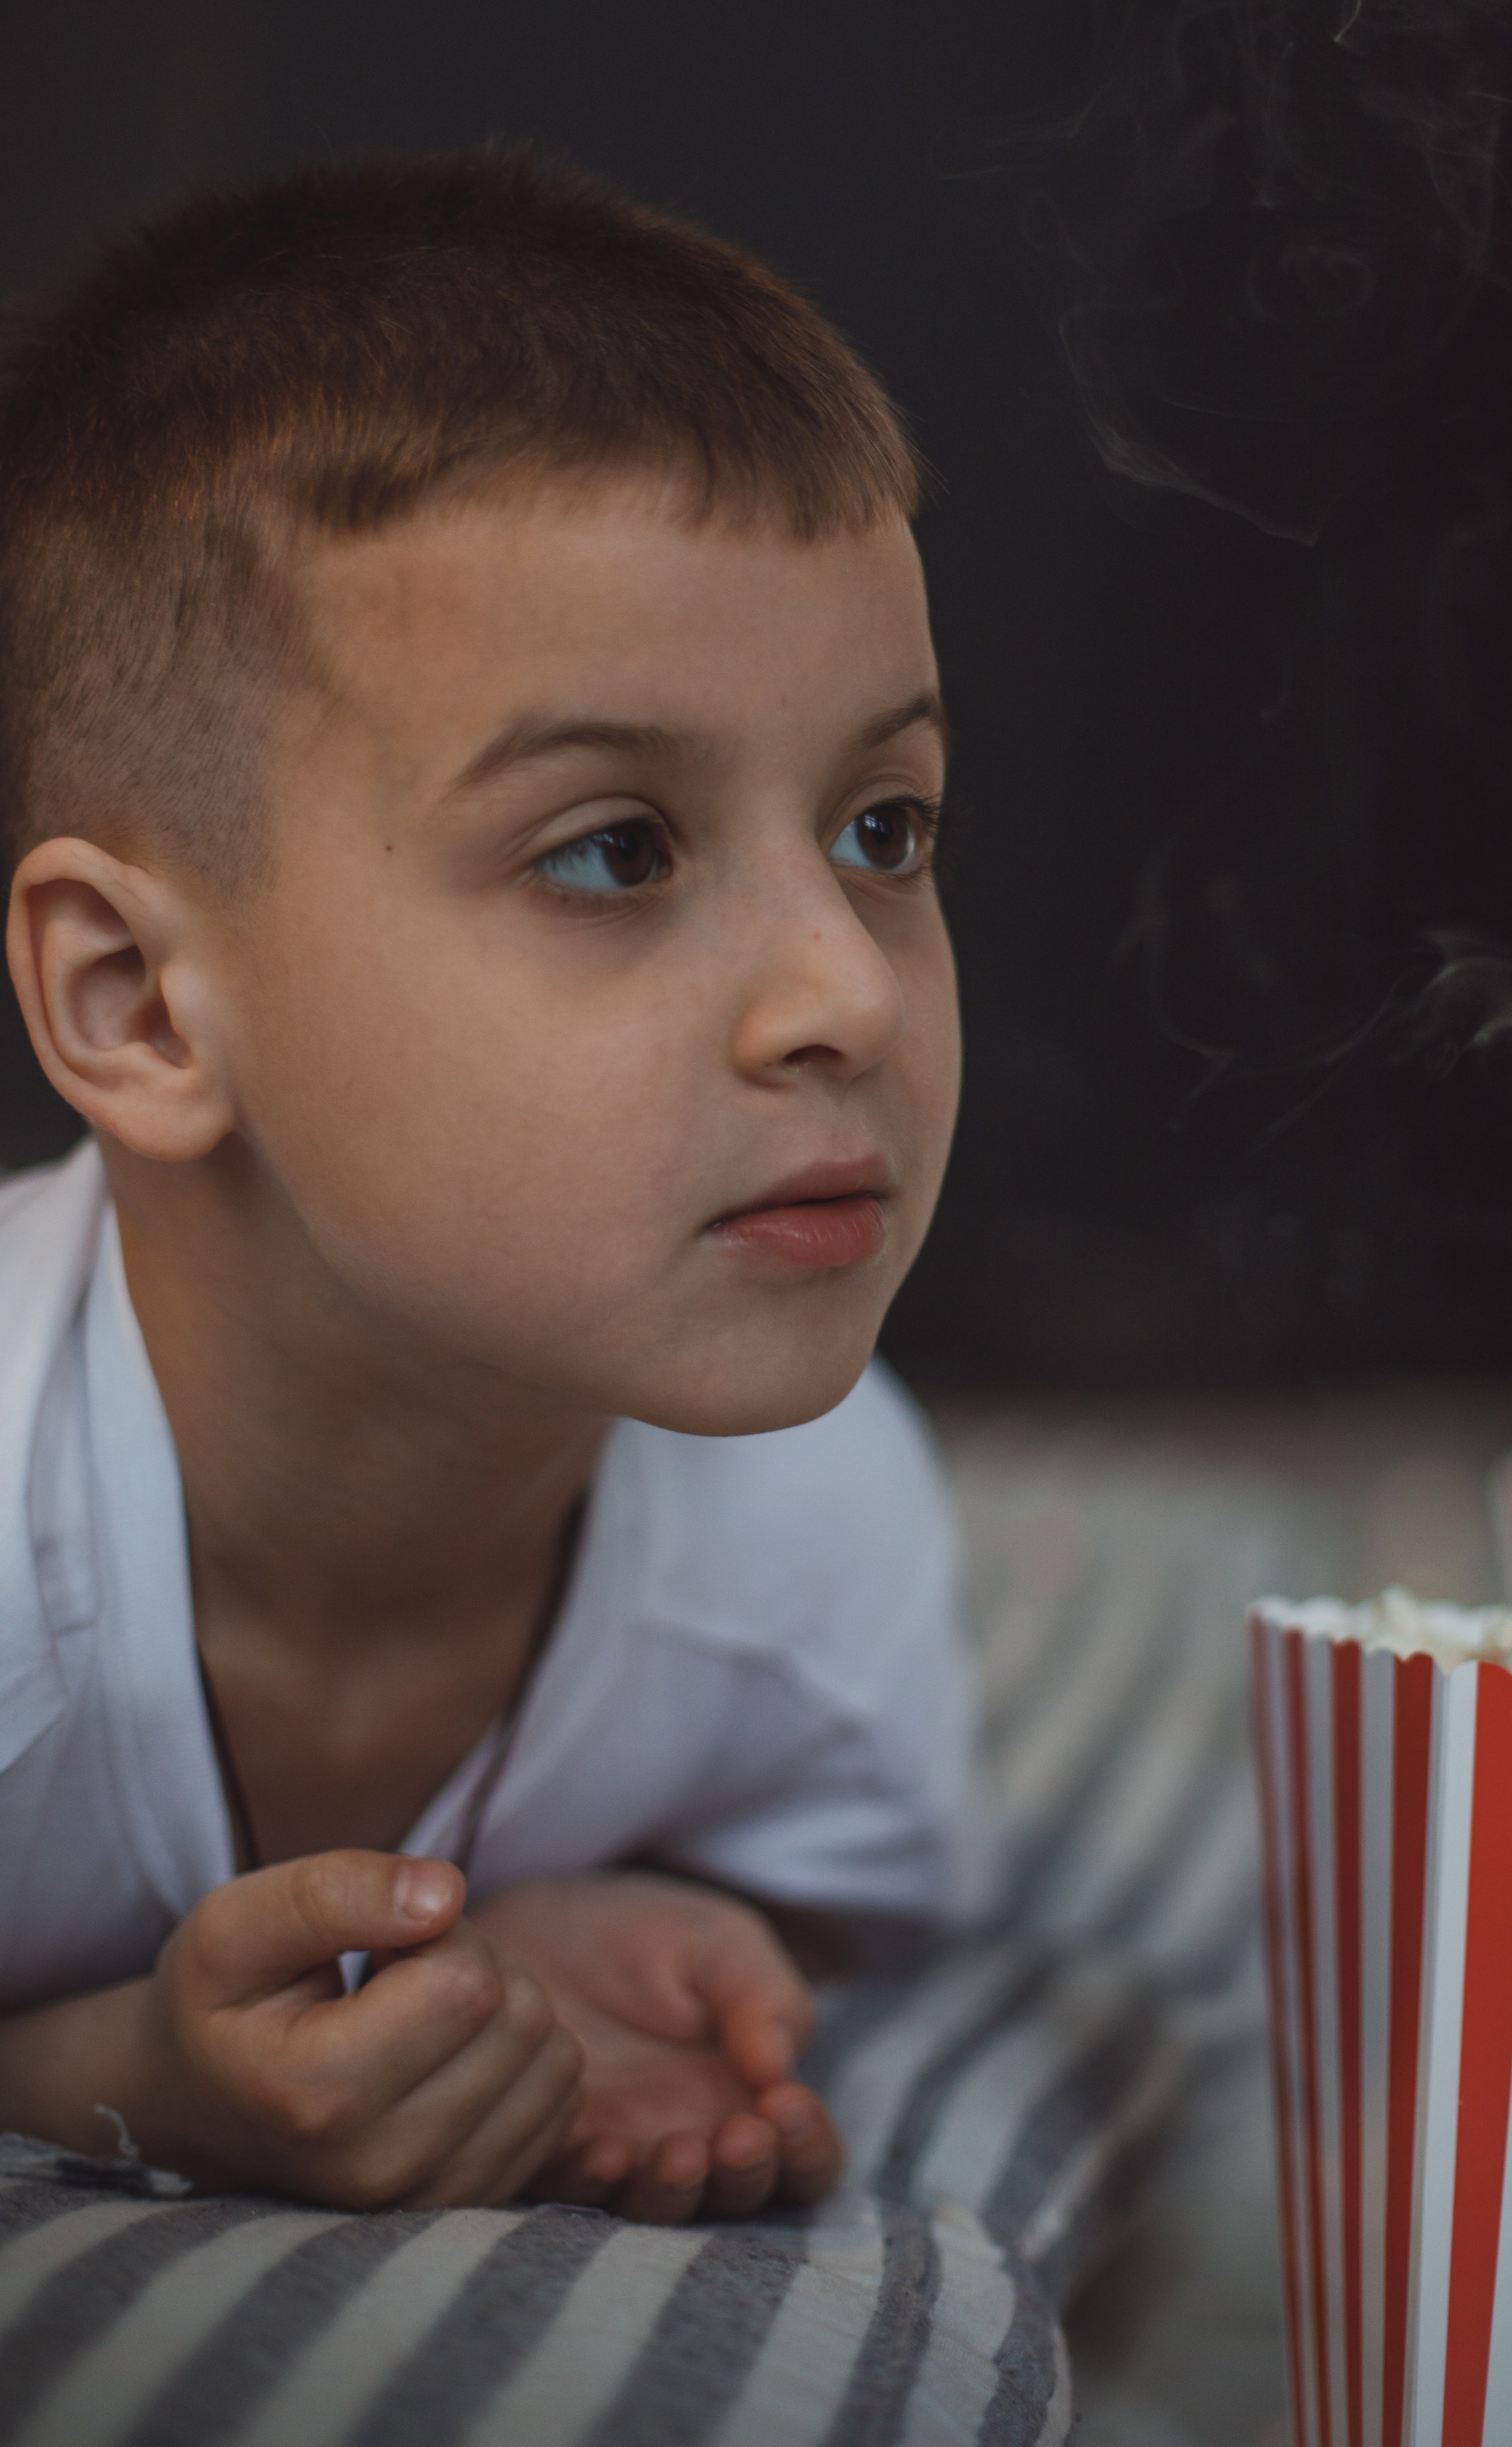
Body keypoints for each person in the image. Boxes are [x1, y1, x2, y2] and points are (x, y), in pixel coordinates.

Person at [0, 151, 986, 2224]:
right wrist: (107, 2077)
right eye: (613, 849)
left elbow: (827, 1894)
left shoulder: (813, 1534)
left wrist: (621, 1917)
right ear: (143, 1008)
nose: (842, 996)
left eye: (885, 831)